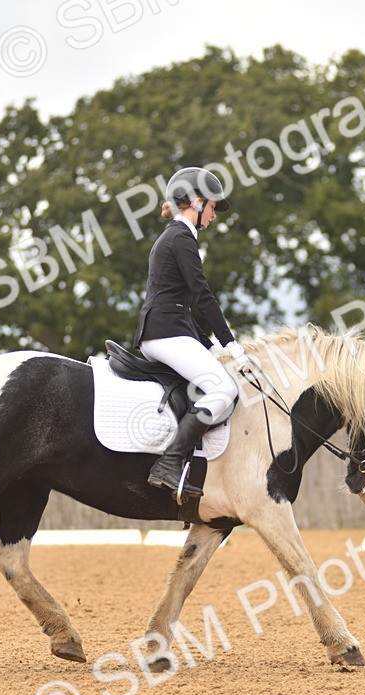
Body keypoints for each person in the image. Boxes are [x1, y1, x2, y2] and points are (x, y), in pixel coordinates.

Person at [132, 167, 251, 502]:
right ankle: (169, 463)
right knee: (224, 387)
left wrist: (211, 346)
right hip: (165, 333)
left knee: (214, 378)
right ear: (197, 203)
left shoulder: (173, 237)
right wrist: (232, 344)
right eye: (212, 207)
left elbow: (180, 303)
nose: (214, 215)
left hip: (168, 330)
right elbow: (202, 296)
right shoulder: (181, 239)